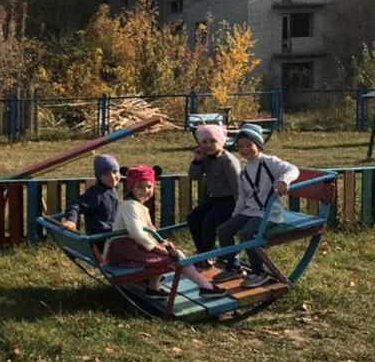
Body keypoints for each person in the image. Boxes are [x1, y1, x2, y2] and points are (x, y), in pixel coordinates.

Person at [105, 165, 228, 300]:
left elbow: (149, 230)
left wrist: (161, 243)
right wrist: (158, 248)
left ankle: (154, 288)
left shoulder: (138, 206)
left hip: (130, 247)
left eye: (149, 186)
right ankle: (205, 287)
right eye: (140, 187)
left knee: (171, 251)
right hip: (126, 250)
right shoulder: (130, 206)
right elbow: (137, 233)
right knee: (175, 257)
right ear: (131, 188)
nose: (145, 190)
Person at [216, 123, 299, 289]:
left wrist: (284, 181)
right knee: (224, 229)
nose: (245, 149)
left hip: (269, 213)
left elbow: (292, 169)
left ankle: (258, 272)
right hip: (250, 211)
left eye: (249, 145)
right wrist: (236, 216)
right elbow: (242, 198)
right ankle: (234, 266)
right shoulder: (244, 172)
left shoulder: (269, 162)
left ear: (259, 146)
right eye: (240, 146)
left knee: (247, 233)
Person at [185, 124, 242, 281]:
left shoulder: (228, 160)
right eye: (204, 142)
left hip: (231, 200)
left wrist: (239, 210)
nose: (208, 145)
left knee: (210, 222)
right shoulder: (205, 158)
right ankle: (204, 252)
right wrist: (197, 160)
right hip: (216, 199)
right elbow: (193, 176)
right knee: (194, 217)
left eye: (212, 141)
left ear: (221, 142)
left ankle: (207, 253)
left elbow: (237, 187)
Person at [60, 154, 120, 234]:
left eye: (115, 172)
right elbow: (75, 204)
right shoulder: (96, 194)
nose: (112, 177)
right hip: (101, 238)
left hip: (111, 233)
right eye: (106, 174)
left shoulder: (110, 189)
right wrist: (71, 220)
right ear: (98, 176)